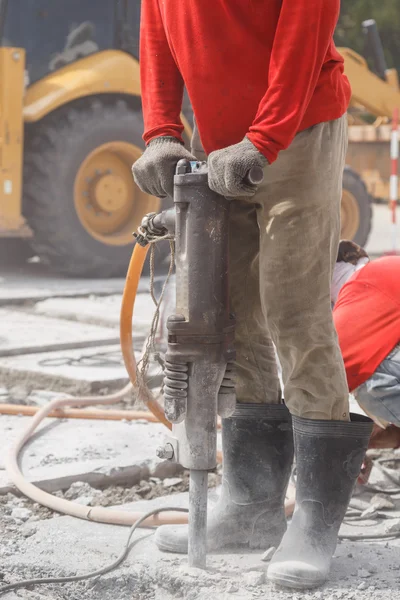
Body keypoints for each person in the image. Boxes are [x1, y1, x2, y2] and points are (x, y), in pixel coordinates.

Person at [132, 2, 372, 590]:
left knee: (293, 307)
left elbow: (303, 30)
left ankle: (314, 521)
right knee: (237, 316)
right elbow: (158, 28)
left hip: (299, 129)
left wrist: (264, 138)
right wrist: (162, 129)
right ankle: (252, 503)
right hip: (221, 143)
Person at [333, 240, 400, 432]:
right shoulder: (387, 266)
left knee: (371, 385)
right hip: (374, 377)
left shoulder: (350, 306)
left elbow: (351, 367)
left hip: (365, 382)